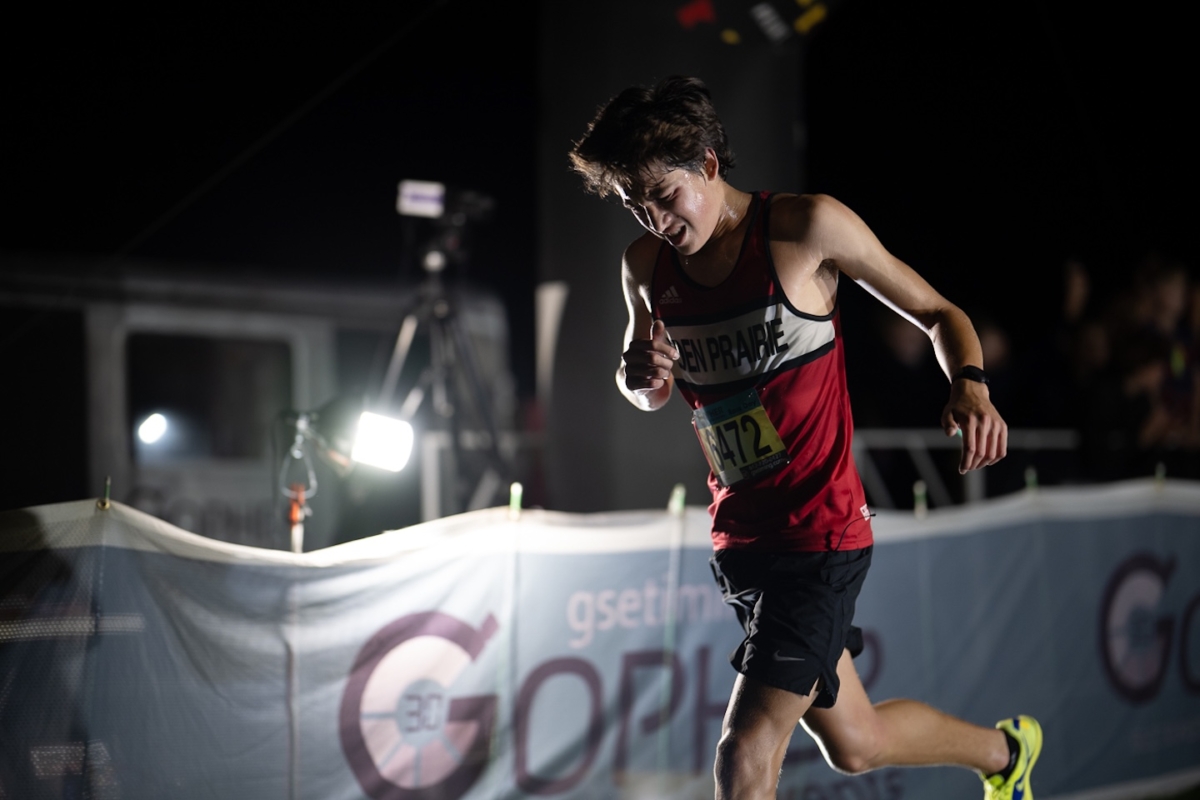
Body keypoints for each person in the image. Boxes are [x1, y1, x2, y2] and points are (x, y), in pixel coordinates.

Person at [569, 75, 1040, 800]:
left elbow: (941, 313)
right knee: (858, 743)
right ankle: (1007, 755)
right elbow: (648, 387)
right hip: (742, 541)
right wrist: (636, 376)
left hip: (820, 539)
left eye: (665, 194)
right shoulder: (645, 267)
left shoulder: (803, 228)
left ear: (709, 165)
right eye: (636, 204)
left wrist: (970, 384)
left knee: (744, 750)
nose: (656, 218)